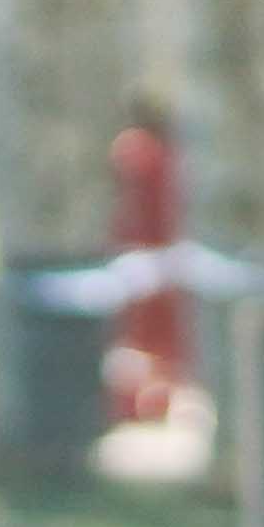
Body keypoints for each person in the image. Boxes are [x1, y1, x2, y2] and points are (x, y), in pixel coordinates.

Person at [103, 91, 188, 426]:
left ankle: (146, 401)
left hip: (143, 253)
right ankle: (142, 401)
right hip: (150, 253)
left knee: (145, 335)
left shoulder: (136, 152)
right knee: (149, 336)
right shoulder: (162, 155)